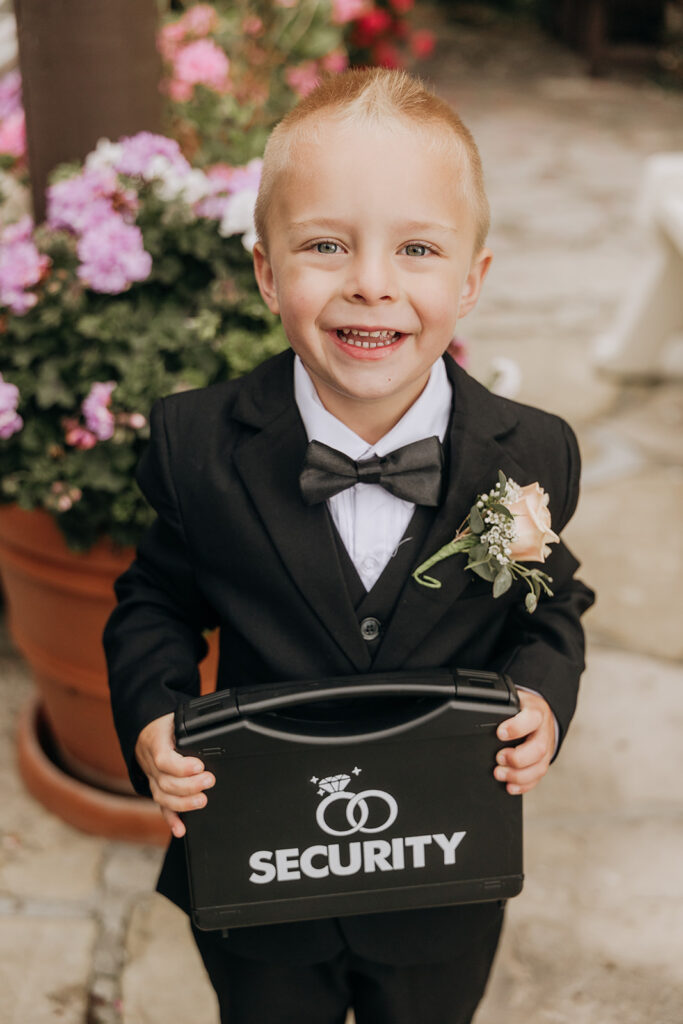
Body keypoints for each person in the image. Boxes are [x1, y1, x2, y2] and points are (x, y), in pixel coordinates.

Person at [103, 67, 595, 1024]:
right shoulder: (198, 444)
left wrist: (540, 694)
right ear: (266, 272)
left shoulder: (532, 453)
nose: (371, 282)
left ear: (470, 281)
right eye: (325, 245)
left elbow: (554, 601)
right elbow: (154, 601)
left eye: (416, 248)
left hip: (440, 877)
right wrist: (153, 718)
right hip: (259, 877)